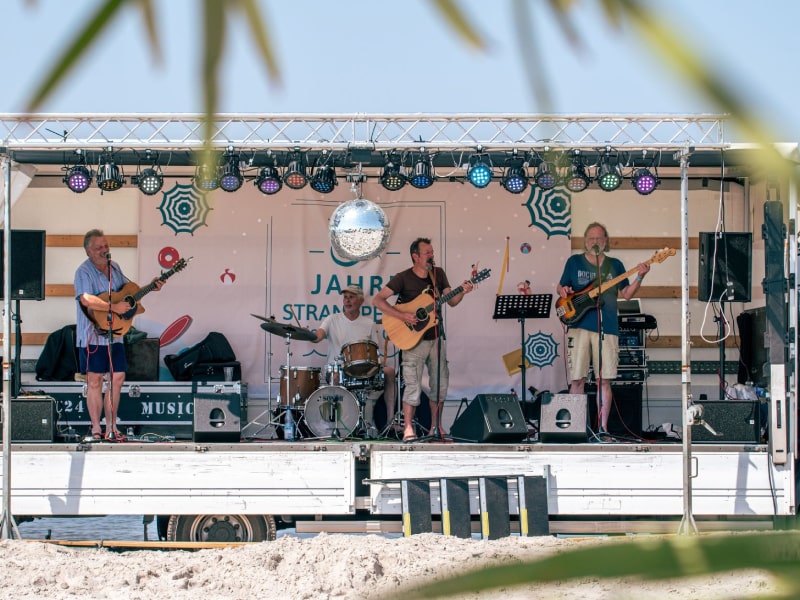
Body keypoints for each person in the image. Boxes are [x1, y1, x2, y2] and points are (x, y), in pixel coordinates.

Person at [373, 237, 474, 441]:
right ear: (415, 256)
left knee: (440, 384)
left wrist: (463, 291)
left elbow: (452, 301)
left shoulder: (438, 274)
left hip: (436, 338)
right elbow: (377, 300)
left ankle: (435, 428)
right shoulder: (403, 278)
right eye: (427, 252)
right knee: (412, 385)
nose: (431, 255)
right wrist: (402, 316)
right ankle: (408, 428)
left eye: (432, 252)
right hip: (412, 341)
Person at [556, 222, 649, 437]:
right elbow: (561, 288)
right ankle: (574, 429)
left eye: (599, 238)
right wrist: (564, 290)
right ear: (585, 241)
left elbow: (626, 294)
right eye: (591, 238)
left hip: (607, 327)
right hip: (578, 326)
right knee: (577, 378)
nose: (594, 242)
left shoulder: (614, 265)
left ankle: (603, 429)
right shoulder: (574, 262)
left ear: (605, 241)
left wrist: (641, 276)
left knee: (604, 379)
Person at [75, 229, 165, 441]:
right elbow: (86, 299)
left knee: (117, 378)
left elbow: (128, 295)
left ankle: (112, 427)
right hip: (92, 336)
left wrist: (151, 287)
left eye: (106, 246)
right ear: (88, 251)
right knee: (95, 380)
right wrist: (113, 307)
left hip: (114, 334)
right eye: (99, 248)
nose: (104, 250)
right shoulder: (83, 271)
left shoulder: (115, 268)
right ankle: (96, 428)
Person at [313, 284, 397, 437]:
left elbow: (375, 351)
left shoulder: (369, 323)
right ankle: (336, 426)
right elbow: (319, 335)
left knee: (390, 372)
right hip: (338, 369)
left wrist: (379, 363)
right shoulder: (332, 319)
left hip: (364, 368)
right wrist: (310, 335)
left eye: (351, 297)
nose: (347, 300)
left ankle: (390, 422)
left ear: (360, 300)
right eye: (345, 297)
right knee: (335, 377)